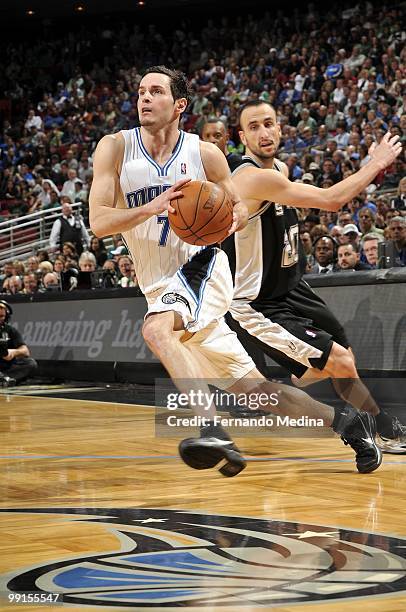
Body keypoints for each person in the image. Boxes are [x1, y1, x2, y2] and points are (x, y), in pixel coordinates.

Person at [89, 66, 383, 477]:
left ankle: (211, 431)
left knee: (156, 331)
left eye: (155, 91)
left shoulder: (204, 155)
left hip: (203, 267)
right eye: (140, 91)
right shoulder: (115, 148)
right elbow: (100, 221)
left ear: (179, 105)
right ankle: (348, 424)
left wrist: (232, 218)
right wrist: (152, 207)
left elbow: (238, 207)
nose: (144, 98)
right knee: (258, 392)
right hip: (159, 285)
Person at [215, 99, 405, 454]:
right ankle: (383, 430)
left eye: (268, 123)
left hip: (292, 286)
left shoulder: (281, 168)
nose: (264, 132)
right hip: (259, 302)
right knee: (341, 362)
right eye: (253, 127)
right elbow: (332, 200)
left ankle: (295, 380)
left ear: (280, 127)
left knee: (334, 361)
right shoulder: (251, 177)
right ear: (242, 137)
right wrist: (376, 163)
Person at [0, 300, 38, 387]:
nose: (0, 319)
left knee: (30, 363)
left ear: (6, 317)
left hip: (7, 365)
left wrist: (12, 352)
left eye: (2, 316)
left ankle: (5, 378)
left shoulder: (10, 330)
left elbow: (26, 351)